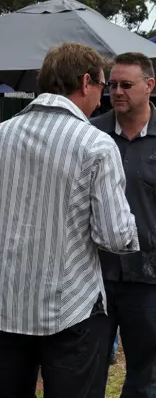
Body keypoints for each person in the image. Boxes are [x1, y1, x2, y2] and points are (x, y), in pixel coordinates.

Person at [0, 43, 139, 398]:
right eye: (103, 86)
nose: (103, 97)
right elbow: (115, 236)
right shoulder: (96, 144)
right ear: (86, 81)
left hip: (4, 305)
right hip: (70, 308)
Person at [90, 52, 156, 397]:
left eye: (126, 85)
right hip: (93, 275)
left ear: (149, 86)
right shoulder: (91, 134)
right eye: (112, 84)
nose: (116, 91)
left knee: (146, 376)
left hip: (148, 278)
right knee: (88, 366)